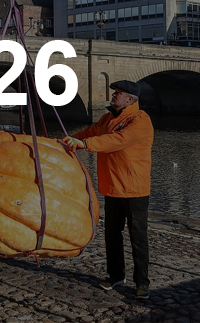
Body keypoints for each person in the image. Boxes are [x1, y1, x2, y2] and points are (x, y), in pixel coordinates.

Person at [64, 79, 155, 298]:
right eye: (114, 92)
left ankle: (142, 282)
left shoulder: (140, 120)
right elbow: (89, 132)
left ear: (130, 99)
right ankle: (116, 276)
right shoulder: (107, 119)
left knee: (138, 238)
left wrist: (85, 145)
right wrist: (66, 141)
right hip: (113, 188)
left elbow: (117, 140)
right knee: (112, 236)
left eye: (118, 93)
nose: (113, 95)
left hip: (135, 191)